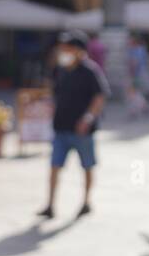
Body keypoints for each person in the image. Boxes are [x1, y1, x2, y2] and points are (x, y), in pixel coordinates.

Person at [40, 30, 108, 219]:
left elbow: (99, 96)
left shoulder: (90, 70)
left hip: (82, 131)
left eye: (67, 48)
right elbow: (52, 90)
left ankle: (86, 202)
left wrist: (87, 118)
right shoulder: (60, 69)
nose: (62, 51)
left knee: (87, 166)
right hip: (61, 127)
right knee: (54, 166)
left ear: (78, 50)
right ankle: (50, 205)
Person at [125, 33, 149, 120]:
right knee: (135, 92)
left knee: (133, 93)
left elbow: (135, 62)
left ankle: (135, 110)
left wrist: (132, 74)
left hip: (136, 74)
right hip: (139, 73)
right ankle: (143, 107)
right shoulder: (141, 49)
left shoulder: (136, 50)